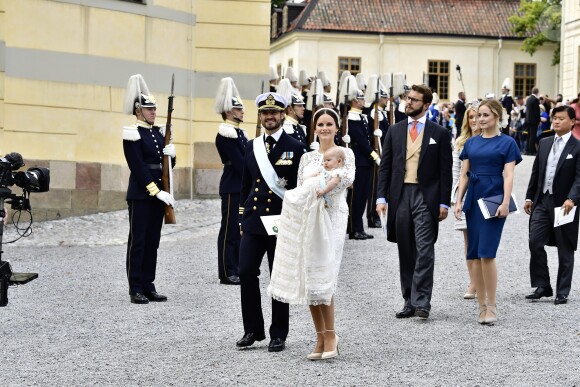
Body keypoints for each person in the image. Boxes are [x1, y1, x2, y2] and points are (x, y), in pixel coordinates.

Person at [268, 108, 355, 360]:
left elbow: (345, 179)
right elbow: (298, 187)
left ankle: (331, 335)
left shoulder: (345, 153)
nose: (324, 128)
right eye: (320, 124)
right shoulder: (306, 158)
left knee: (324, 275)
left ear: (337, 128)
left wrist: (321, 182)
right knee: (309, 276)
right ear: (314, 128)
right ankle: (319, 336)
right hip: (308, 216)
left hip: (332, 216)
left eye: (329, 124)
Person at [236, 92, 306, 353]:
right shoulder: (252, 146)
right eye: (265, 113)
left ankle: (279, 333)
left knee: (279, 277)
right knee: (245, 272)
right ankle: (253, 330)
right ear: (260, 116)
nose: (269, 117)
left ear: (283, 114)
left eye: (274, 113)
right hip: (254, 221)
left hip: (282, 221)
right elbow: (246, 184)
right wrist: (242, 217)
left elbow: (300, 188)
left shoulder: (296, 146)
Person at [376, 84, 453, 320]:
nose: (408, 103)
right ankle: (408, 299)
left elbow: (445, 171)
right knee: (405, 248)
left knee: (425, 249)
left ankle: (422, 301)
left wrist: (444, 202)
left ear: (426, 105)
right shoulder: (395, 130)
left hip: (426, 195)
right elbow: (386, 166)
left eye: (414, 100)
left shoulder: (439, 133)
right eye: (408, 99)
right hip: (400, 195)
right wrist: (381, 197)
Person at [454, 99, 522, 325]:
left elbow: (509, 175)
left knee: (487, 252)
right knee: (473, 253)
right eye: (478, 115)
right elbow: (464, 174)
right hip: (473, 198)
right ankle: (481, 305)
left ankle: (491, 305)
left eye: (485, 115)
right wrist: (458, 200)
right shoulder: (471, 144)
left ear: (497, 116)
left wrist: (505, 202)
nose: (480, 119)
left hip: (493, 198)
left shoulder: (508, 143)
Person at [122, 74, 176, 304]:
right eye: (149, 109)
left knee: (153, 241)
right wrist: (156, 191)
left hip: (159, 194)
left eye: (154, 108)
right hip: (141, 195)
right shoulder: (132, 133)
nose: (154, 112)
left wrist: (172, 156)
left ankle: (148, 284)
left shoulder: (158, 133)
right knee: (139, 241)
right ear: (138, 111)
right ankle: (135, 287)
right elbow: (138, 167)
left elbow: (165, 166)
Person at [524, 105, 580, 305]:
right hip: (542, 200)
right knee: (534, 241)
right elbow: (536, 172)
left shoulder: (577, 146)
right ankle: (542, 285)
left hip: (565, 204)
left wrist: (572, 198)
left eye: (561, 118)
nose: (556, 121)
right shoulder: (545, 142)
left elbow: (579, 178)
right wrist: (530, 197)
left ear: (572, 122)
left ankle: (562, 291)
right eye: (554, 118)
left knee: (565, 247)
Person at [214, 77, 248, 285]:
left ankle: (236, 267)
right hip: (232, 187)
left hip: (241, 187)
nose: (242, 111)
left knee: (239, 229)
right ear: (228, 111)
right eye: (238, 109)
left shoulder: (238, 133)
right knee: (229, 230)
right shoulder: (226, 133)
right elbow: (240, 162)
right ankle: (227, 271)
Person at [342, 75, 379, 240]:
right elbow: (362, 143)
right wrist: (374, 155)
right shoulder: (351, 118)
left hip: (365, 163)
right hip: (358, 161)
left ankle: (359, 226)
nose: (364, 100)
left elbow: (368, 137)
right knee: (355, 197)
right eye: (361, 98)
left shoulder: (361, 117)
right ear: (355, 101)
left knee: (362, 196)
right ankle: (353, 228)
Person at [451, 103, 481, 300]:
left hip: (484, 192)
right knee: (468, 241)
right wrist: (455, 198)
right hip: (465, 192)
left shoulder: (494, 140)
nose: (474, 120)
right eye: (471, 117)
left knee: (482, 240)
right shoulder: (460, 142)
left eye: (478, 116)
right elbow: (456, 172)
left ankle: (484, 278)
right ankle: (473, 282)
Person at [277, 78, 308, 145]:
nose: (303, 109)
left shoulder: (299, 127)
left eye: (302, 106)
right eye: (299, 106)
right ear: (290, 109)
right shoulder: (286, 128)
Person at [525, 87, 541, 155]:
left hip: (528, 120)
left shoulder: (528, 99)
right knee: (533, 135)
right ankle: (531, 150)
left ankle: (527, 149)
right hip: (534, 120)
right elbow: (536, 111)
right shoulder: (535, 100)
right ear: (537, 92)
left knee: (529, 135)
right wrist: (539, 120)